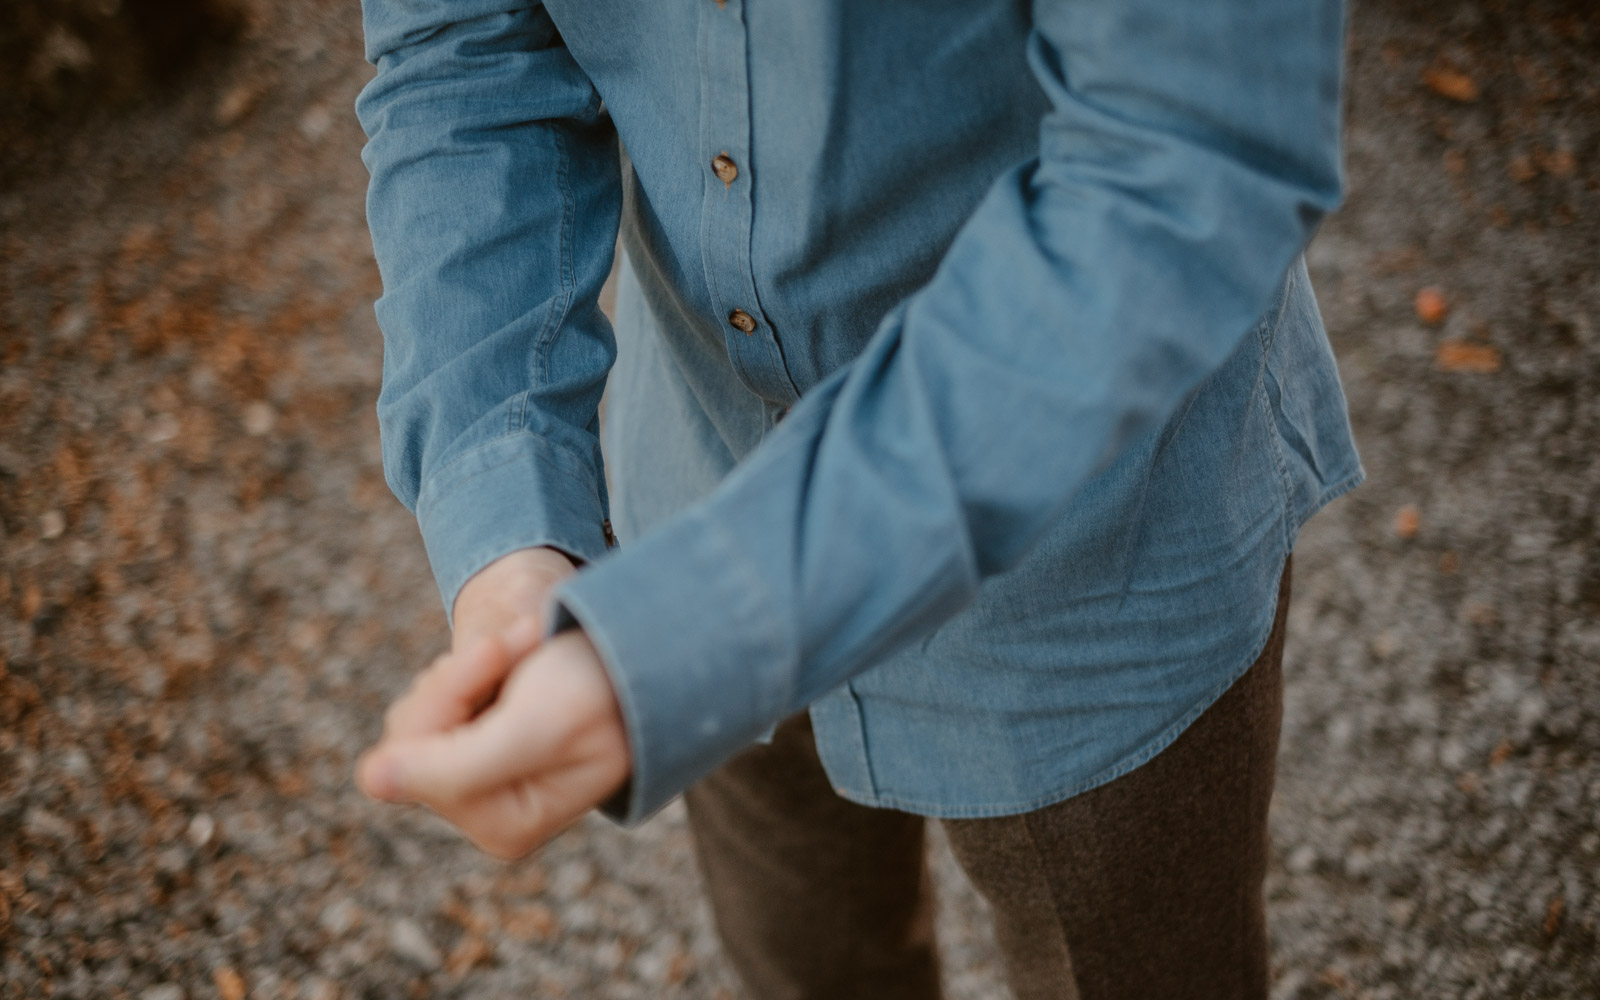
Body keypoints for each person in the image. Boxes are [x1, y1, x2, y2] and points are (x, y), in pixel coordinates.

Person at [351, 0, 1363, 996]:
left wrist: (688, 639)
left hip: (1097, 547)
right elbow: (461, 56)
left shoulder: (664, 643)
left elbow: (1186, 167)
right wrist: (508, 531)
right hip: (700, 469)